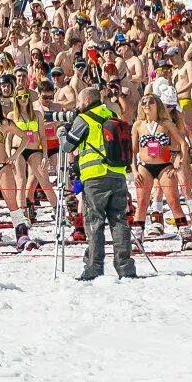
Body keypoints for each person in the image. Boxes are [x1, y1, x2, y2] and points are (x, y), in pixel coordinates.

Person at [68, 74, 136, 281]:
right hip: (117, 175)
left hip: (95, 178)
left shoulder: (84, 118)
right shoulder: (112, 114)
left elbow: (68, 145)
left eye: (79, 102)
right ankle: (125, 267)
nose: (77, 106)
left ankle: (94, 267)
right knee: (119, 221)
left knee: (94, 223)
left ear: (87, 101)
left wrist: (64, 132)